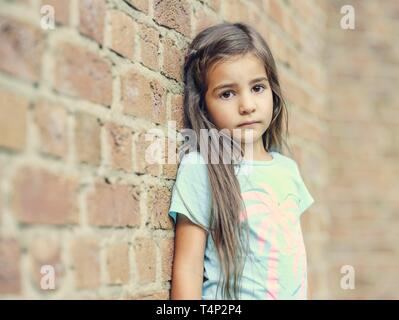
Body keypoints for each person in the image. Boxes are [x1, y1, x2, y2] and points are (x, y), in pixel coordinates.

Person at [168, 22, 315, 300]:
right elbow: (188, 266)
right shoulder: (202, 168)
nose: (247, 105)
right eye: (227, 93)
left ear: (273, 91)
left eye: (257, 88)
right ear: (203, 106)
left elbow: (294, 262)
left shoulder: (288, 170)